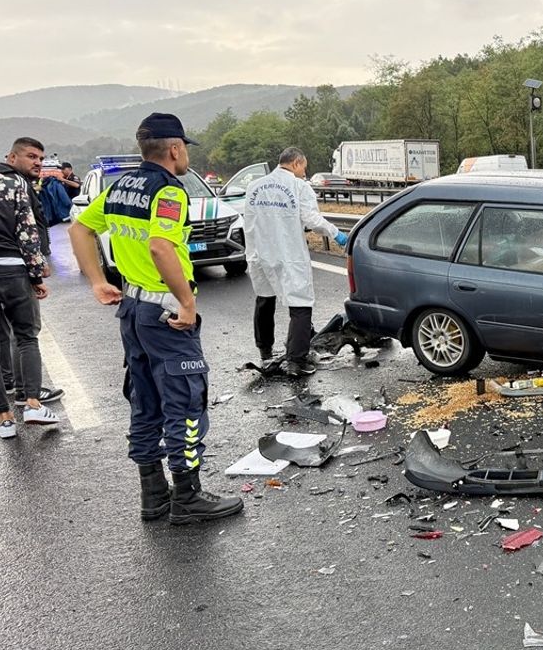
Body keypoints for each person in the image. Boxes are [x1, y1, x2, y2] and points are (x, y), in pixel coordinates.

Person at [67, 113, 242, 524]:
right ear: (176, 148)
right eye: (184, 150)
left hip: (132, 309)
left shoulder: (119, 187)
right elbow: (163, 247)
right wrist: (187, 303)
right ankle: (188, 497)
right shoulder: (169, 191)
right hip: (164, 312)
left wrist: (97, 282)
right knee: (184, 400)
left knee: (145, 402)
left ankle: (154, 496)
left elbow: (78, 230)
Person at [0, 131, 61, 438]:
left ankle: (4, 419)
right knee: (26, 337)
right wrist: (36, 275)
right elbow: (27, 233)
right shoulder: (12, 184)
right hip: (12, 270)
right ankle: (32, 403)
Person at [243, 146, 346, 377]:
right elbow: (311, 218)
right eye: (304, 168)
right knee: (300, 305)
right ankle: (295, 360)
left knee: (264, 300)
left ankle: (265, 351)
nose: (303, 173)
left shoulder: (254, 187)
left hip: (260, 253)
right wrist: (335, 233)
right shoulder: (300, 187)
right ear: (296, 163)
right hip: (288, 254)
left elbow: (248, 222)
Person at [0, 137, 64, 405]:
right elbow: (29, 226)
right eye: (32, 157)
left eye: (41, 159)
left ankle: (9, 381)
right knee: (25, 330)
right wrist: (37, 264)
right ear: (12, 157)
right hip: (17, 267)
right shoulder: (17, 183)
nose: (38, 163)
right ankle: (26, 391)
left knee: (3, 330)